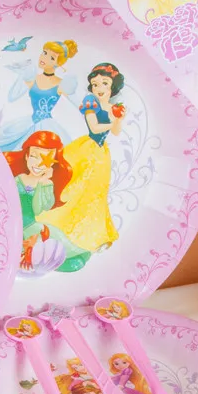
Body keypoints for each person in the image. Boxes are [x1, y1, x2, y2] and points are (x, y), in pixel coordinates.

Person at [38, 63, 127, 255]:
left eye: (104, 83)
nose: (99, 88)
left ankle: (96, 235)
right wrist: (112, 120)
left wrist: (118, 119)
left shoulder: (113, 107)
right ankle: (58, 223)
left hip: (101, 154)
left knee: (96, 194)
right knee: (74, 186)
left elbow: (116, 132)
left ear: (112, 86)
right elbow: (94, 128)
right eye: (95, 84)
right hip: (86, 150)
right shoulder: (90, 103)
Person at [4, 131, 90, 274]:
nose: (38, 163)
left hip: (30, 226)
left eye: (46, 159)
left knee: (65, 255)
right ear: (26, 156)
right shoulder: (19, 178)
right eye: (34, 156)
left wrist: (43, 182)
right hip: (11, 223)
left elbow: (38, 208)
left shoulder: (46, 184)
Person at [0, 40, 79, 152]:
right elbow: (12, 97)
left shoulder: (61, 84)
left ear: (58, 64)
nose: (44, 58)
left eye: (52, 58)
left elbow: (79, 104)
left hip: (47, 125)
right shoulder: (32, 78)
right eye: (44, 53)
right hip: (28, 123)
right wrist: (22, 76)